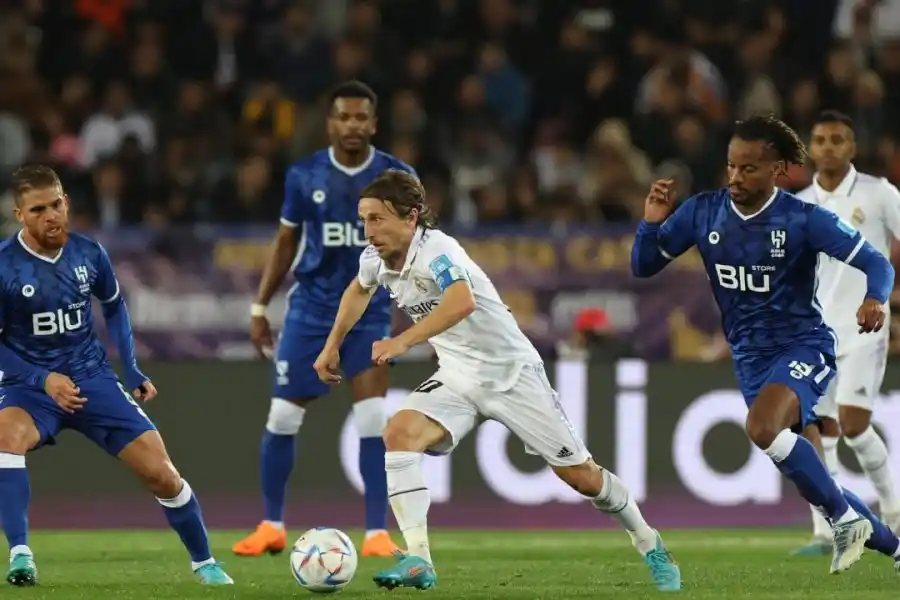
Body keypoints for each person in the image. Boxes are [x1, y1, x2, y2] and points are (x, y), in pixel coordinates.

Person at [313, 169, 682, 592]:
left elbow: (461, 300)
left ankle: (648, 541)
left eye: (377, 219)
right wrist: (331, 347)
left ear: (411, 218)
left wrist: (403, 341)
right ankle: (419, 559)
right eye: (364, 219)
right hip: (457, 374)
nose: (368, 230)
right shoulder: (375, 258)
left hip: (511, 374)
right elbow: (358, 290)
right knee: (398, 433)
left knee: (583, 478)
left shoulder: (437, 249)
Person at [631, 114, 900, 575]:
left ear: (778, 170)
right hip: (750, 359)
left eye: (749, 168)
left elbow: (877, 262)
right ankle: (893, 547)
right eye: (732, 166)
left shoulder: (803, 220)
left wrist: (875, 297)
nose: (736, 176)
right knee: (816, 482)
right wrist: (651, 225)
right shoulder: (703, 212)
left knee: (761, 429)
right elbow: (643, 265)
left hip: (804, 346)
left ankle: (844, 520)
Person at [0, 165, 232, 586]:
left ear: (66, 202)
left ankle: (206, 563)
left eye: (57, 204)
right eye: (38, 209)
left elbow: (114, 305)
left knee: (162, 473)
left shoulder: (89, 253)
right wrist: (41, 380)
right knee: (3, 440)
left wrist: (132, 367)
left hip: (92, 380)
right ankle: (20, 555)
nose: (51, 215)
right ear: (19, 214)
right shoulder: (4, 267)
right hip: (29, 387)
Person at [233, 81, 413, 558]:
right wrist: (259, 305)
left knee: (374, 417)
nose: (353, 125)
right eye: (344, 117)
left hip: (369, 312)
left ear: (374, 123)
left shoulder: (396, 177)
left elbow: (417, 246)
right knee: (283, 416)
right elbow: (286, 244)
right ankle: (271, 525)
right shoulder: (303, 175)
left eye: (361, 118)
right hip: (310, 312)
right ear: (331, 123)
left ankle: (376, 533)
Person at [791, 110, 900, 555]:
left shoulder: (879, 194)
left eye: (838, 139)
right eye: (820, 139)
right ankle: (826, 531)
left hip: (864, 329)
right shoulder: (798, 204)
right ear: (810, 149)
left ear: (852, 147)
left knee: (854, 425)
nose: (829, 146)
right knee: (819, 429)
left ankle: (892, 512)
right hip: (816, 333)